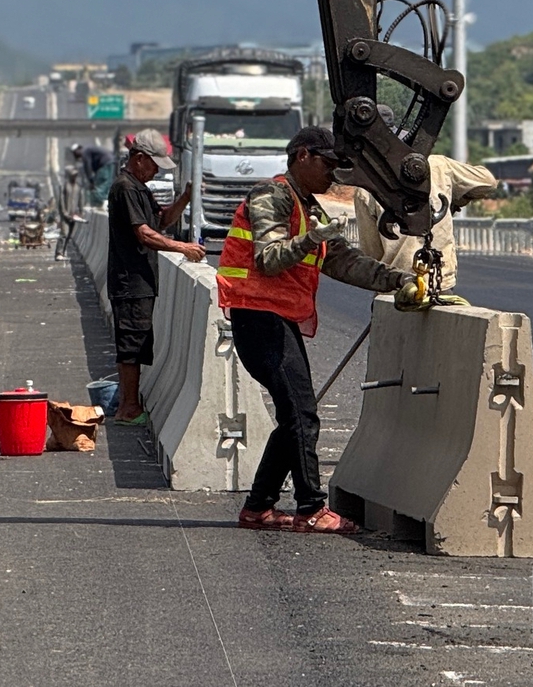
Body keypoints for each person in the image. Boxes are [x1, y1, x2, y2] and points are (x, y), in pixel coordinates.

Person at [219, 125, 421, 532]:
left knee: (295, 414)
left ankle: (258, 508)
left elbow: (343, 260)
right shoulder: (271, 195)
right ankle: (311, 508)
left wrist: (397, 279)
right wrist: (310, 239)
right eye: (328, 164)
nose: (334, 174)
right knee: (301, 414)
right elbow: (268, 259)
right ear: (302, 156)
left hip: (276, 318)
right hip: (258, 317)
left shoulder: (307, 207)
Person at [105, 128, 202, 424]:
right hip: (129, 281)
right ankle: (128, 408)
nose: (157, 171)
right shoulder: (126, 188)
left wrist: (185, 198)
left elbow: (160, 221)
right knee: (132, 345)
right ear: (139, 159)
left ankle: (128, 404)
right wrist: (182, 247)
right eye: (154, 164)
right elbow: (144, 233)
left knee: (138, 341)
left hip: (140, 282)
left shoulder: (139, 188)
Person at [352, 152, 498, 292]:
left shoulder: (366, 187)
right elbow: (488, 182)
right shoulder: (438, 166)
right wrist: (457, 198)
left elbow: (372, 255)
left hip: (394, 288)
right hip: (437, 284)